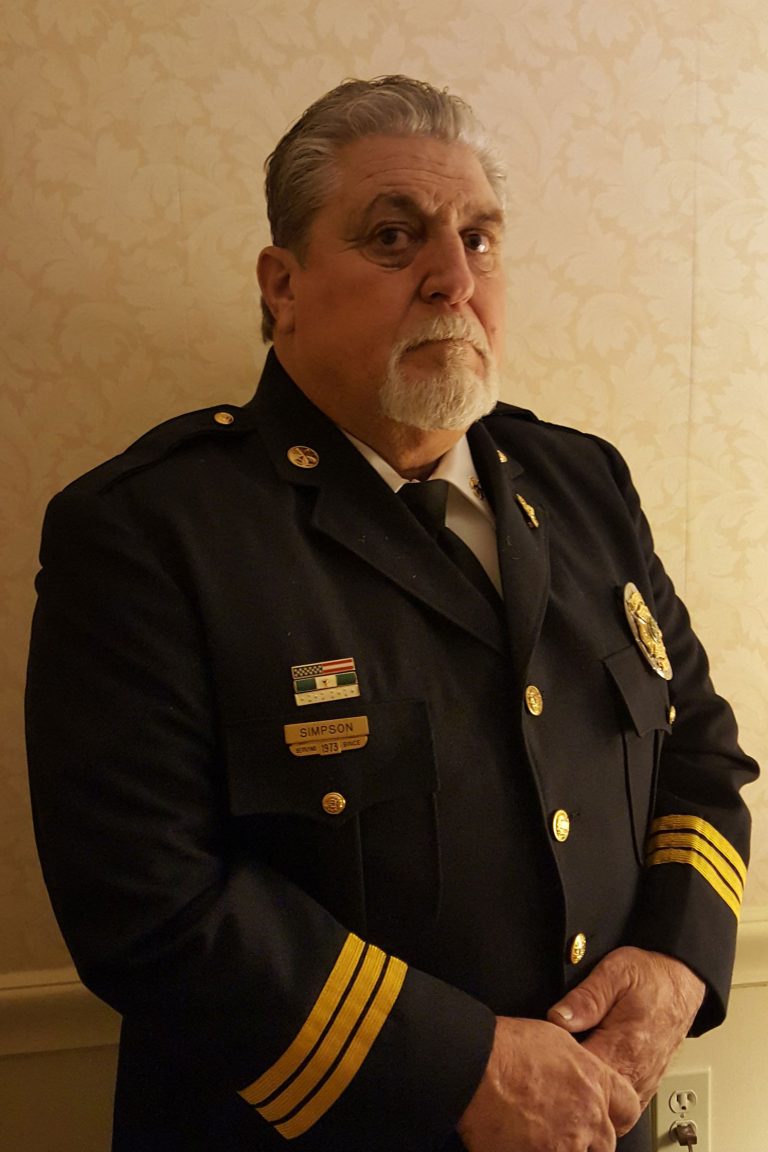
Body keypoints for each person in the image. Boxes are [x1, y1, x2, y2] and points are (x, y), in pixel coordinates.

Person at [26, 75, 757, 1152]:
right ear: (282, 285)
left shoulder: (585, 483)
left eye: (480, 238)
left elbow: (699, 750)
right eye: (394, 236)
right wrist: (466, 1073)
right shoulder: (151, 530)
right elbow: (145, 904)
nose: (453, 277)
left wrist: (676, 966)